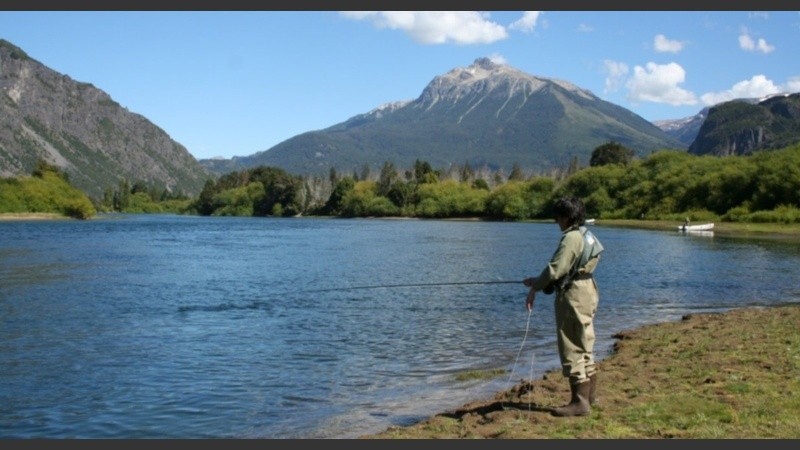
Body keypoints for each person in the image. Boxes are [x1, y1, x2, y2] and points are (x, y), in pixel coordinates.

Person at [523, 196, 602, 417]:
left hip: (574, 295)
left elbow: (555, 270)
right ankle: (590, 397)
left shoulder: (571, 238)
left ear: (567, 217)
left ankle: (580, 403)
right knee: (585, 341)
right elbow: (573, 267)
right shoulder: (588, 235)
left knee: (571, 344)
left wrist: (536, 286)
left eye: (558, 218)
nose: (557, 222)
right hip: (588, 289)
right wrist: (538, 281)